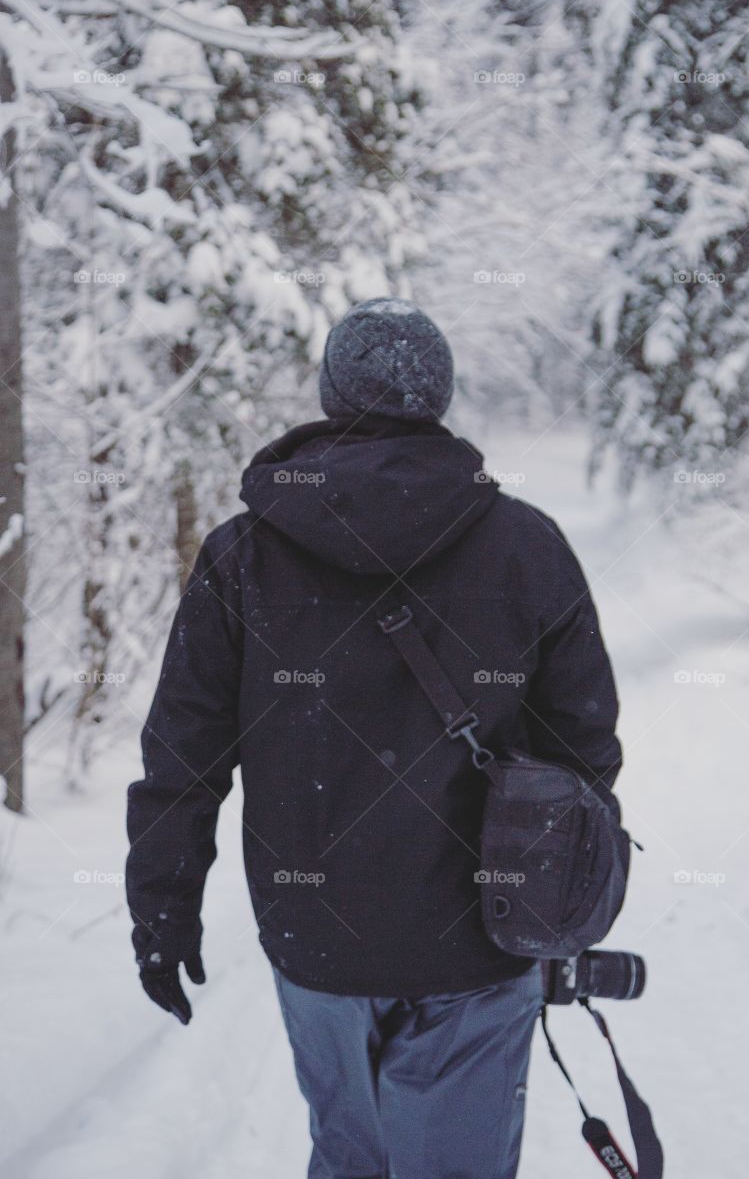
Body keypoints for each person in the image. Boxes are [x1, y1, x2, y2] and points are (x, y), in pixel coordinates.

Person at [125, 297, 623, 1179]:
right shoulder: (527, 547)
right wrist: (560, 898)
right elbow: (585, 750)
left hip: (314, 935)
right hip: (483, 932)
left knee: (350, 1155)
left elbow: (184, 758)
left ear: (328, 396)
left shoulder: (243, 557)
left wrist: (164, 908)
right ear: (440, 399)